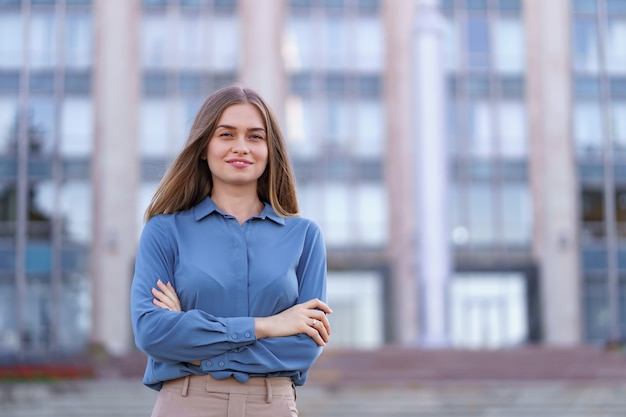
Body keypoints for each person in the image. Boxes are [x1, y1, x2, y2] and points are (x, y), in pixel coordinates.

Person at [130, 84, 332, 417]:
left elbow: (303, 346)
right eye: (226, 134)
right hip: (186, 404)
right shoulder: (164, 232)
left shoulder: (304, 236)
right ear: (203, 147)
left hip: (273, 406)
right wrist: (268, 325)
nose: (241, 147)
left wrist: (193, 346)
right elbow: (152, 332)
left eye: (255, 137)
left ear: (271, 150)